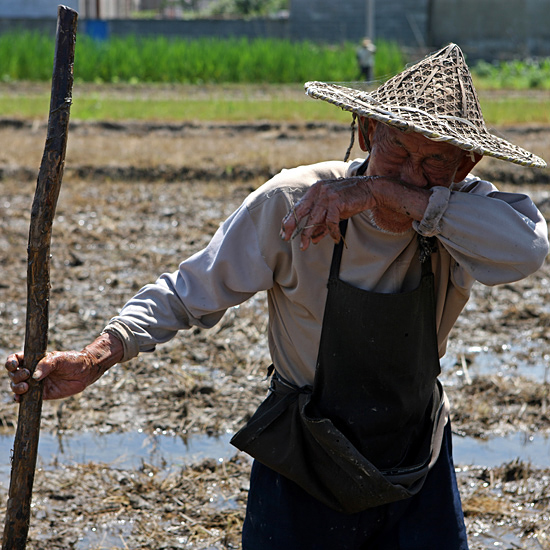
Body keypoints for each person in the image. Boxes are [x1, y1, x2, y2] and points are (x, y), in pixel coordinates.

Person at [6, 44, 549, 549]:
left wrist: (381, 190)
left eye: (433, 164)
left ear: (466, 168)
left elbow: (527, 251)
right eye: (397, 151)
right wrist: (97, 356)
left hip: (415, 458)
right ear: (366, 133)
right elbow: (190, 291)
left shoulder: (462, 215)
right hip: (304, 459)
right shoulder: (294, 200)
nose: (412, 177)